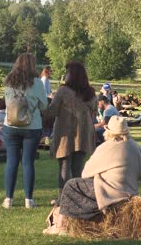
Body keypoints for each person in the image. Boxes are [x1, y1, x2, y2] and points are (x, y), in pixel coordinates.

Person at [43, 116, 141, 235]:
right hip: (128, 194)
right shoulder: (136, 148)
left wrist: (99, 174)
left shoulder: (105, 147)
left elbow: (85, 173)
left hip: (108, 194)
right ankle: (60, 214)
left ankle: (60, 225)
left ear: (108, 131)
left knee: (71, 185)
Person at [2, 53, 48, 209]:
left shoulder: (9, 80)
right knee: (28, 162)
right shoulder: (37, 83)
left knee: (11, 161)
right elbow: (43, 106)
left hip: (10, 125)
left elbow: (7, 102)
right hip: (32, 126)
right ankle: (29, 199)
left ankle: (8, 199)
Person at [47, 61, 97, 202]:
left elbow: (52, 111)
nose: (65, 75)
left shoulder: (63, 91)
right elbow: (94, 112)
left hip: (65, 133)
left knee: (64, 167)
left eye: (67, 72)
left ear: (72, 75)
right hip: (83, 134)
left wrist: (40, 108)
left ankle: (62, 198)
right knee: (78, 169)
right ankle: (77, 199)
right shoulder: (91, 92)